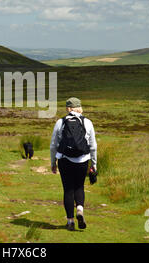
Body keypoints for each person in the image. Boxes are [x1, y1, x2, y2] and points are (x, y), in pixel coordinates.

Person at [50, 97, 97, 231]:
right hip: (83, 160)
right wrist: (94, 164)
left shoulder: (61, 122)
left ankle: (70, 221)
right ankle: (80, 210)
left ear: (68, 108)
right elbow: (93, 146)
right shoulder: (87, 122)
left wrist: (53, 162)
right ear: (80, 107)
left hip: (65, 160)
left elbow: (53, 145)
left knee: (68, 189)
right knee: (79, 187)